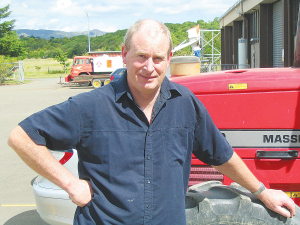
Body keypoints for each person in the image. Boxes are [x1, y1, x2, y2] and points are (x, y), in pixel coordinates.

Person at [8, 19, 295, 224]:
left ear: (169, 58)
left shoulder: (185, 103)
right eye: (141, 56)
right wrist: (70, 184)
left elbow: (221, 155)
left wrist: (261, 191)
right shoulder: (90, 106)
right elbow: (21, 137)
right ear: (124, 54)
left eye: (158, 58)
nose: (149, 67)